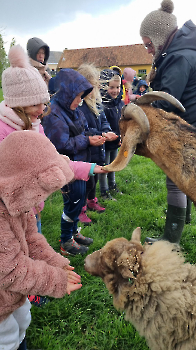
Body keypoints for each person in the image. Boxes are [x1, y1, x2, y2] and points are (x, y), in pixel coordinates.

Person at [0, 130, 107, 350]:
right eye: (36, 191)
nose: (40, 201)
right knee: (6, 336)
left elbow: (31, 239)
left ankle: (21, 343)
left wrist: (56, 263)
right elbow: (9, 270)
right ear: (19, 182)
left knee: (21, 320)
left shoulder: (19, 204)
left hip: (13, 291)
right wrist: (54, 280)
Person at [140, 0, 196, 244]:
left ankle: (171, 240)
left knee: (175, 181)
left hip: (186, 130)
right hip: (190, 126)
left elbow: (167, 102)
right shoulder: (183, 51)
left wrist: (142, 108)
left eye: (149, 44)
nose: (148, 50)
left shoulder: (177, 59)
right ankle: (184, 220)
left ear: (160, 36)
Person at [42, 68, 106, 256]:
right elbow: (61, 145)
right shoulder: (53, 114)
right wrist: (87, 140)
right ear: (67, 93)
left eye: (81, 97)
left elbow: (84, 130)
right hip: (68, 168)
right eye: (77, 97)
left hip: (81, 165)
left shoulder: (73, 109)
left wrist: (98, 135)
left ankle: (74, 232)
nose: (80, 101)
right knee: (72, 204)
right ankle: (66, 241)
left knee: (78, 202)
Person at [77, 63, 118, 224]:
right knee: (84, 182)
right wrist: (100, 134)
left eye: (95, 86)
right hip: (84, 151)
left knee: (93, 179)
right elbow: (82, 130)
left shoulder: (98, 104)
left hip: (97, 149)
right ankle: (80, 209)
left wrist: (107, 131)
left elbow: (104, 121)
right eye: (90, 87)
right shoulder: (78, 107)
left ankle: (91, 200)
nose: (93, 90)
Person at [99, 68, 124, 199]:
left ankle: (112, 185)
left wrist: (121, 137)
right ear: (104, 87)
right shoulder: (102, 105)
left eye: (118, 87)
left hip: (116, 141)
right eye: (111, 87)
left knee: (113, 164)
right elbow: (101, 125)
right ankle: (104, 191)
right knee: (105, 167)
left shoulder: (120, 103)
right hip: (105, 142)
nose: (115, 90)